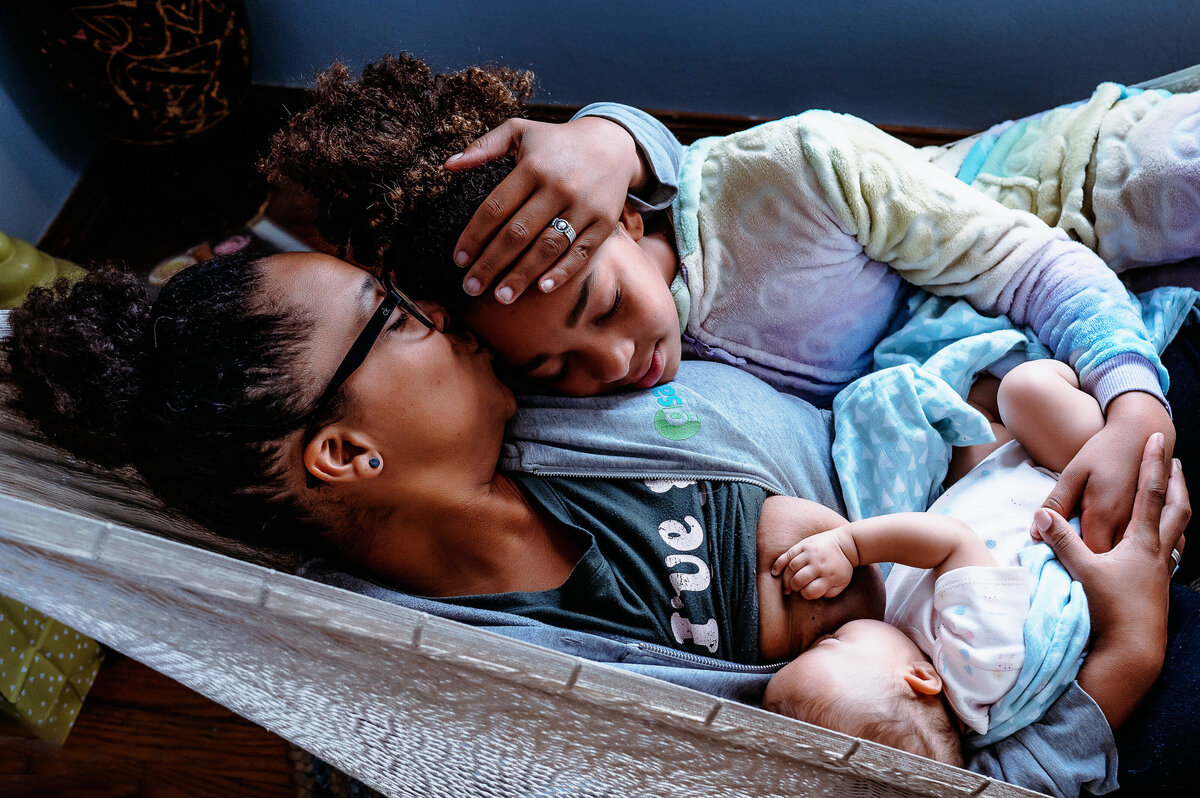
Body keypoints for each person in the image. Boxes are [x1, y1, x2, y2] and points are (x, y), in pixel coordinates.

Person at [3, 249, 1193, 796]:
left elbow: (682, 198)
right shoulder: (458, 699)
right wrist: (1123, 658)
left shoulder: (561, 387)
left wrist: (615, 129)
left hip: (1000, 482)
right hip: (1058, 711)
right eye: (393, 315)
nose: (435, 305)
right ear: (348, 453)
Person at [260, 54, 1190, 557]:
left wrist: (1132, 397)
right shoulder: (541, 371)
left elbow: (1031, 268)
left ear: (621, 210)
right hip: (970, 351)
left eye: (603, 304)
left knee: (1163, 178)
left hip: (1054, 181)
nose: (616, 364)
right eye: (554, 369)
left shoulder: (796, 175)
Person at [761, 359, 1109, 764]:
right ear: (921, 679)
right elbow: (952, 542)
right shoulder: (977, 670)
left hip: (996, 478)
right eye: (828, 644)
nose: (825, 633)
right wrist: (850, 546)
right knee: (1023, 389)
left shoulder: (918, 648)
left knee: (972, 431)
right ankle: (1100, 403)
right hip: (1071, 481)